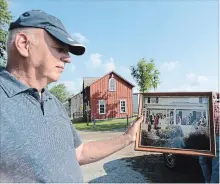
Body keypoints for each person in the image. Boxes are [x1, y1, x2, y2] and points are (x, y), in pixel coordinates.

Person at [0, 10, 143, 183]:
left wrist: (127, 138)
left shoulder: (54, 103)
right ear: (23, 44)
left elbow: (79, 152)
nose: (68, 59)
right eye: (59, 48)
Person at [199, 93, 219, 183]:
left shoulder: (204, 106)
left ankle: (207, 180)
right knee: (216, 165)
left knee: (202, 159)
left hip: (206, 138)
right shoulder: (218, 106)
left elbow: (201, 126)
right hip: (217, 137)